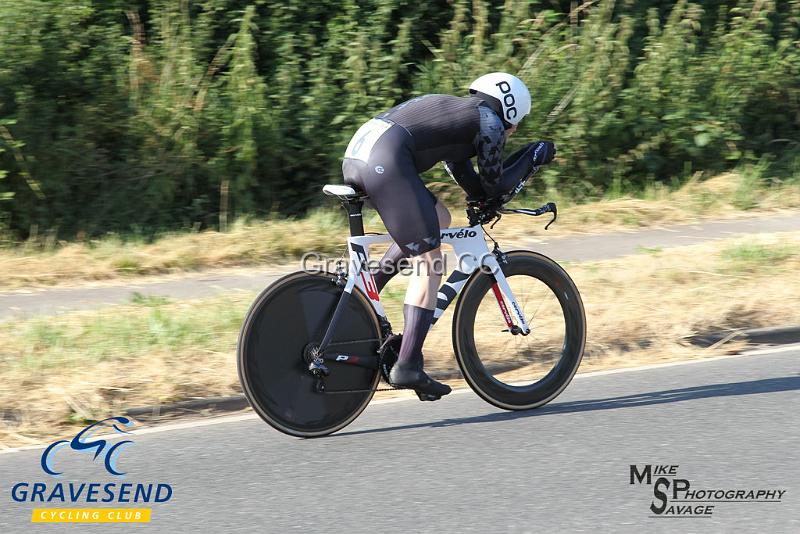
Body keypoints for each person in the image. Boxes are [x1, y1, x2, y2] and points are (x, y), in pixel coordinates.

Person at [341, 72, 556, 399]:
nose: (514, 130)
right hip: (384, 162)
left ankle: (368, 294)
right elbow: (495, 183)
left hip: (361, 157)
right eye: (519, 122)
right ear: (510, 111)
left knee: (438, 219)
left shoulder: (462, 115)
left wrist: (479, 199)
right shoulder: (490, 123)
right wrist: (534, 155)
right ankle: (408, 364)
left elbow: (468, 176)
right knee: (431, 262)